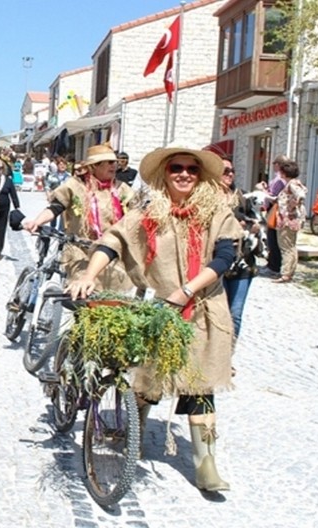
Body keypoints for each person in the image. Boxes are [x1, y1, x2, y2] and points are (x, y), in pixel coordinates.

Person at [66, 143, 242, 493]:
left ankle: (206, 464)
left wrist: (186, 291)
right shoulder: (149, 211)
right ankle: (135, 431)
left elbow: (224, 259)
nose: (184, 174)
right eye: (177, 167)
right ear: (165, 172)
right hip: (161, 310)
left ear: (201, 175)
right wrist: (88, 275)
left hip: (206, 310)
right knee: (148, 378)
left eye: (192, 170)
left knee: (201, 384)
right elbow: (112, 241)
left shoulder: (217, 212)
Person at [21, 144, 134, 293]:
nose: (114, 166)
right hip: (80, 249)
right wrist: (37, 222)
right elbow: (56, 207)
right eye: (109, 162)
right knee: (82, 293)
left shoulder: (122, 188)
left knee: (112, 298)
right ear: (94, 166)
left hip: (112, 252)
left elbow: (135, 215)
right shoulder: (75, 185)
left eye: (114, 162)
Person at [219, 156, 259, 338]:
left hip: (242, 261)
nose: (230, 174)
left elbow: (257, 222)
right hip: (216, 262)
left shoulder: (242, 196)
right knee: (218, 312)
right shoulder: (206, 199)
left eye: (232, 171)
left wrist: (252, 226)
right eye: (225, 171)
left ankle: (228, 358)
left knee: (235, 313)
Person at [273, 160, 307, 283]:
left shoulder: (291, 184)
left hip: (287, 219)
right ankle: (290, 272)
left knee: (285, 246)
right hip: (292, 219)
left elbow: (301, 195)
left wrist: (292, 205)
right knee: (291, 246)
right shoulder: (295, 183)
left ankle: (285, 273)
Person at [0, 153, 20, 261]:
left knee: (1, 230)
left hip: (4, 207)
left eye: (1, 167)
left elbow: (13, 194)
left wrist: (17, 207)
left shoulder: (8, 180)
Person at [263, 154, 290, 276]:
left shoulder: (279, 180)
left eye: (274, 163)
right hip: (278, 210)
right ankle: (273, 264)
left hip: (275, 209)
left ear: (278, 165)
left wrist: (263, 191)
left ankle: (274, 266)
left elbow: (274, 197)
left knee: (272, 238)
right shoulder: (284, 179)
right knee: (274, 238)